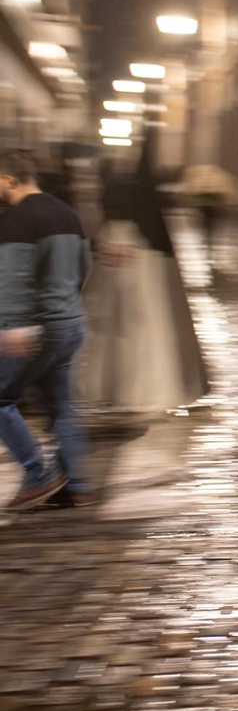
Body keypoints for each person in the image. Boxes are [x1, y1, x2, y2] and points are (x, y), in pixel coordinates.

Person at [78, 138, 209, 414]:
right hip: (139, 263)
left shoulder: (120, 226)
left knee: (128, 328)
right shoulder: (141, 225)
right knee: (136, 325)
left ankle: (123, 386)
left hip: (131, 269)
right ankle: (125, 386)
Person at [0, 149, 93, 510]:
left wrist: (14, 327)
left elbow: (12, 282)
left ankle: (39, 474)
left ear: (9, 179)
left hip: (34, 329)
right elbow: (82, 270)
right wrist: (67, 305)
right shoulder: (67, 214)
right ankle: (76, 484)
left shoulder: (16, 222)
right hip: (70, 324)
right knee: (60, 406)